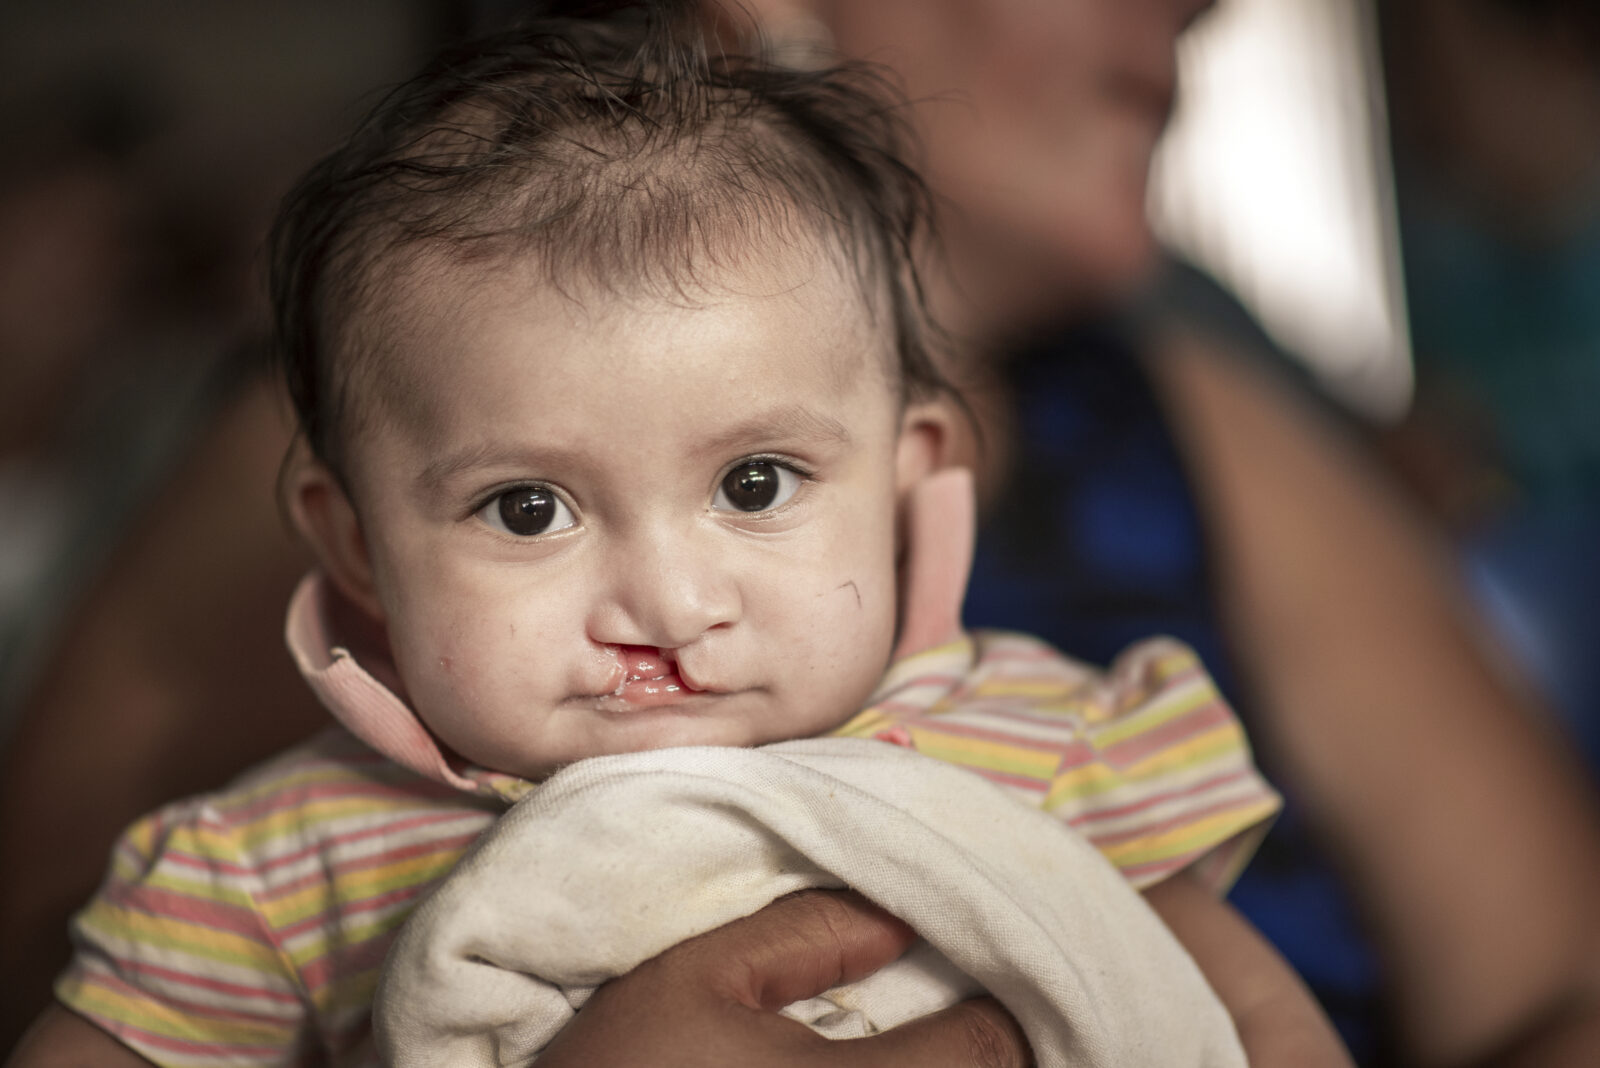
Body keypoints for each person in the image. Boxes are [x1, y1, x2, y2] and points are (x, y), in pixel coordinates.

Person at [7, 0, 1600, 1064]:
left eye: (757, 486)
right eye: (528, 509)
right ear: (352, 548)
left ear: (914, 474)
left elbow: (1242, 998)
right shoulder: (284, 858)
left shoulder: (1038, 732)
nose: (667, 598)